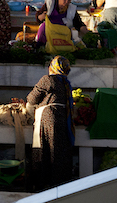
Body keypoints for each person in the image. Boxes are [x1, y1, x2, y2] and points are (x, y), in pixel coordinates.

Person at [27, 56, 75, 191]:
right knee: (58, 152)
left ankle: (42, 183)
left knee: (44, 150)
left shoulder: (48, 80)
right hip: (61, 119)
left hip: (48, 118)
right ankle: (58, 183)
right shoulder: (66, 83)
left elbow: (31, 98)